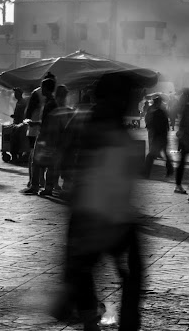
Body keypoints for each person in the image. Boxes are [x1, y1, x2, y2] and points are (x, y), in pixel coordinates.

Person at [58, 72, 143, 331]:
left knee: (84, 271)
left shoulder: (92, 119)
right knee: (126, 275)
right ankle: (112, 323)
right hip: (104, 213)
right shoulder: (104, 123)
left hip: (96, 211)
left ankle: (91, 322)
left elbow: (66, 160)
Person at [143, 96, 173, 178]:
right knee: (165, 154)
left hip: (158, 138)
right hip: (163, 136)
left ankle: (146, 173)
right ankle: (170, 170)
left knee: (150, 156)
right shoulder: (163, 112)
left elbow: (154, 125)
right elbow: (166, 125)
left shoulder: (157, 113)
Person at [173, 89, 189, 194]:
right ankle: (178, 185)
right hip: (185, 139)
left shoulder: (185, 108)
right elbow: (184, 125)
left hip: (184, 138)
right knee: (182, 162)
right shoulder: (187, 108)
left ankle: (178, 184)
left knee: (182, 162)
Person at [10, 88, 28, 162]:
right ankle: (16, 156)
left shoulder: (22, 102)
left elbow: (22, 114)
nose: (14, 95)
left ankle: (17, 157)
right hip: (17, 123)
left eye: (16, 93)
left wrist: (16, 117)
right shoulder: (19, 102)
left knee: (17, 141)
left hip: (20, 124)